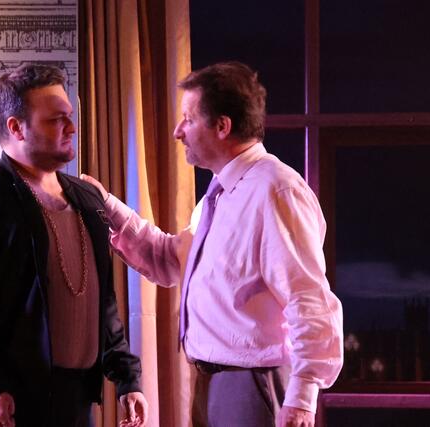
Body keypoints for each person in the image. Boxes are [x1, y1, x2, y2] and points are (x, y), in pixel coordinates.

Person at [81, 62, 343, 427]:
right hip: (212, 382)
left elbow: (307, 297)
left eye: (188, 119)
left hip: (252, 384)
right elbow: (172, 259)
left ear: (222, 126)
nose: (178, 131)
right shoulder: (217, 197)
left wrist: (301, 398)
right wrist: (107, 206)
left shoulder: (275, 190)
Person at [0, 64, 148, 427]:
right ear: (16, 127)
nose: (71, 127)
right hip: (6, 404)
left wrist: (127, 378)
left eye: (69, 116)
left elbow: (102, 300)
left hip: (77, 401)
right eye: (56, 119)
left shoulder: (87, 198)